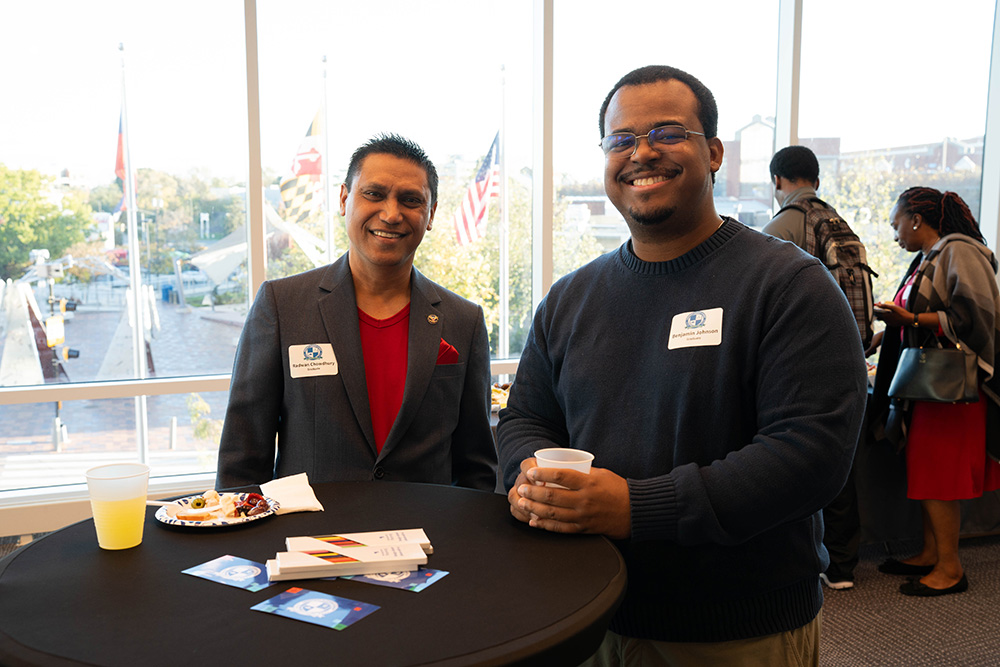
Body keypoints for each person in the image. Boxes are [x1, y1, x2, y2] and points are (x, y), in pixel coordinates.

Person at [497, 65, 868, 665]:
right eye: (622, 140)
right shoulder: (570, 298)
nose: (642, 152)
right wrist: (530, 476)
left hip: (733, 631)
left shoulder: (789, 285)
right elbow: (525, 418)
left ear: (715, 152)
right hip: (583, 618)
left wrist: (635, 508)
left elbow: (810, 455)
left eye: (668, 133)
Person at [216, 133, 497, 492]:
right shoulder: (282, 306)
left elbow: (476, 468)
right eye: (374, 194)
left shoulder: (464, 321)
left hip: (428, 541)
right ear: (345, 199)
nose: (392, 213)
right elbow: (242, 460)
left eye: (410, 200)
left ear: (430, 215)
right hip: (310, 542)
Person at [868, 186, 1000, 597]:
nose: (894, 235)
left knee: (941, 475)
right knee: (928, 471)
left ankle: (950, 569)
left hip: (951, 391)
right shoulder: (930, 257)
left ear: (916, 220)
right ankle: (930, 553)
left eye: (895, 225)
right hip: (929, 387)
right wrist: (891, 330)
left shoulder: (960, 251)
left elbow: (978, 316)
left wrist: (913, 317)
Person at [764, 144, 865, 591]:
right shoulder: (840, 223)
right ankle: (843, 563)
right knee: (839, 459)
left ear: (777, 182)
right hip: (852, 361)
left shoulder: (783, 227)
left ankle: (808, 559)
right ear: (817, 180)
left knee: (795, 459)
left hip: (801, 364)